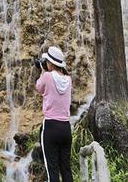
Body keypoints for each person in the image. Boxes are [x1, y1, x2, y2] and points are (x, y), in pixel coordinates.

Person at [35, 46, 72, 182]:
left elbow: (38, 87)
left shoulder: (46, 76)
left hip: (50, 127)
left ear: (50, 63)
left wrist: (42, 70)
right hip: (66, 128)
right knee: (66, 169)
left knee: (52, 171)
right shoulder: (69, 79)